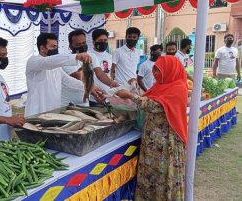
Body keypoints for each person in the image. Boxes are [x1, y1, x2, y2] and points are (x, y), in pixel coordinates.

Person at [115, 55, 187, 201]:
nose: (156, 74)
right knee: (151, 173)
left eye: (160, 70)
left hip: (166, 142)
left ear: (171, 69)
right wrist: (134, 88)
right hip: (152, 140)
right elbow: (147, 99)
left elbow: (156, 106)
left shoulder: (179, 87)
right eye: (156, 70)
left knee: (163, 173)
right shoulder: (159, 85)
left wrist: (130, 96)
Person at [25, 33, 107, 117]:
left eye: (56, 47)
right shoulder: (33, 61)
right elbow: (47, 61)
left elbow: (69, 81)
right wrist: (76, 56)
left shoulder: (57, 67)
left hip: (53, 113)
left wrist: (89, 88)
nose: (55, 49)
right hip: (35, 113)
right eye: (52, 46)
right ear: (42, 48)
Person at [89, 29, 119, 107]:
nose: (103, 42)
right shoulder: (88, 55)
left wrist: (112, 83)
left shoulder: (110, 56)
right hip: (94, 98)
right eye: (100, 40)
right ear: (93, 42)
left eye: (105, 40)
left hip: (108, 97)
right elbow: (99, 74)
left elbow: (110, 74)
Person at [61, 29, 90, 107]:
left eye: (84, 43)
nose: (82, 46)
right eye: (78, 44)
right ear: (71, 46)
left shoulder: (88, 59)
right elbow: (82, 80)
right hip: (69, 106)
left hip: (85, 105)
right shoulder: (67, 61)